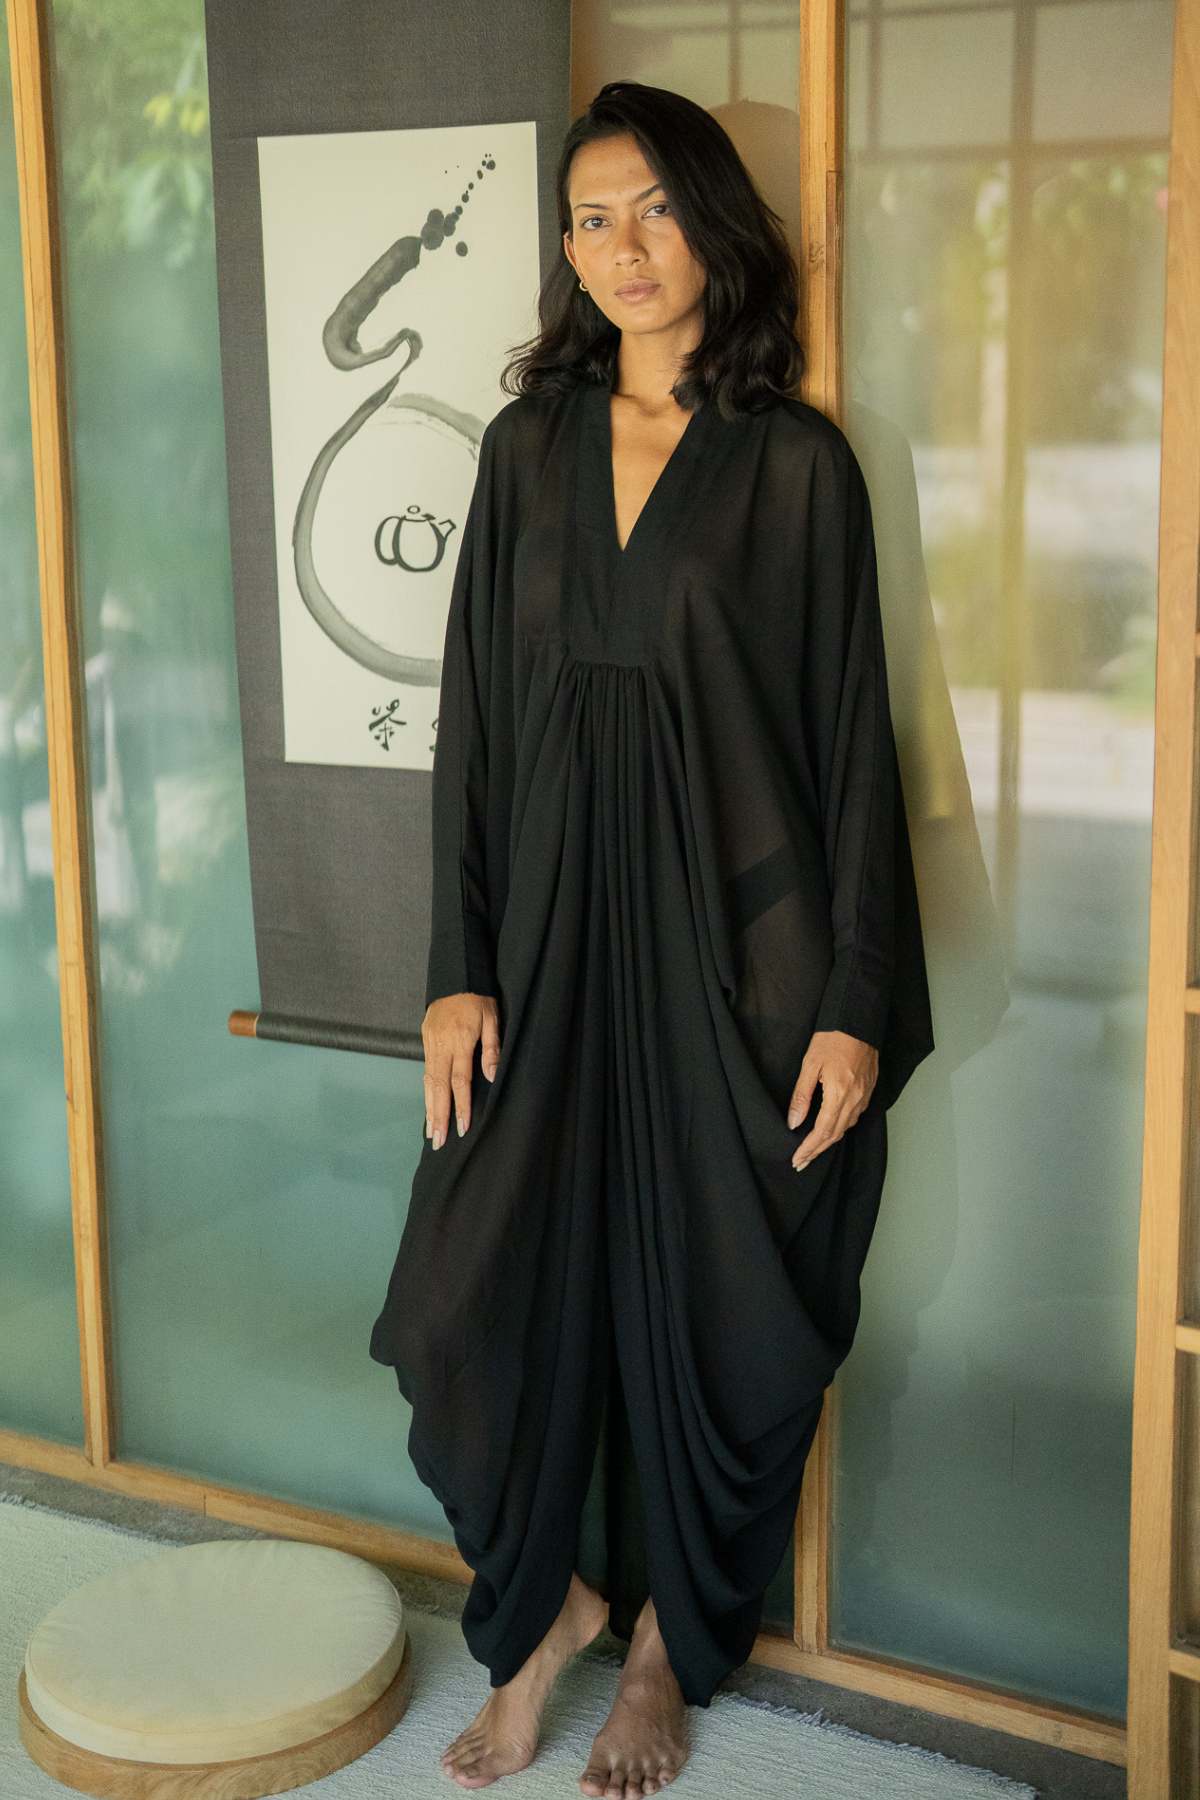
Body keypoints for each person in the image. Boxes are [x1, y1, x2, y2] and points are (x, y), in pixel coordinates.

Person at [369, 79, 935, 1797]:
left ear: (715, 222)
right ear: (564, 246)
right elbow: (472, 720)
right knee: (476, 1293)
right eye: (590, 216)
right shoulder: (523, 449)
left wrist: (848, 1001)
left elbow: (851, 749)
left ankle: (672, 1656)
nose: (624, 247)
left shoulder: (795, 468)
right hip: (542, 955)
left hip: (728, 973)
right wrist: (455, 965)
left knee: (722, 1302)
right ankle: (548, 1611)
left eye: (656, 209)